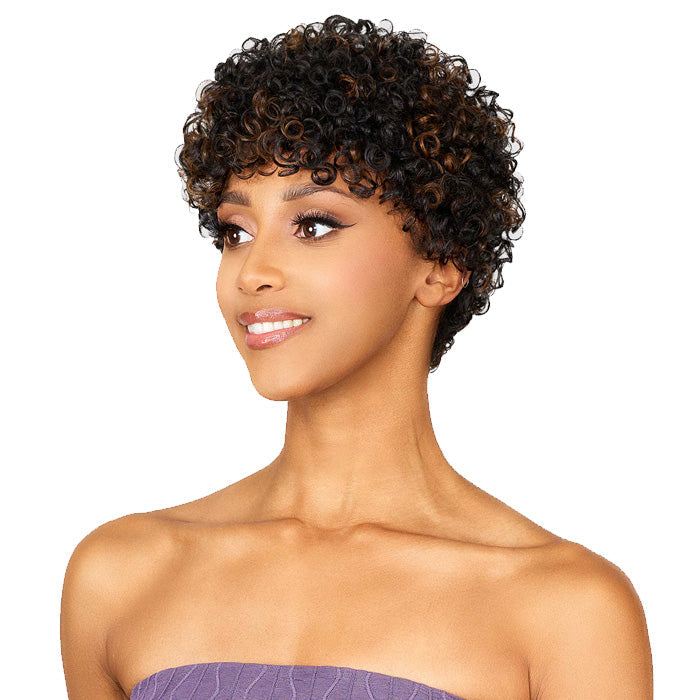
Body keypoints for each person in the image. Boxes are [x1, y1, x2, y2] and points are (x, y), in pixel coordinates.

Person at [60, 15, 653, 700]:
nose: (252, 272)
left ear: (441, 265)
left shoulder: (565, 610)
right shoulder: (122, 578)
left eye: (314, 225)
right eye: (236, 231)